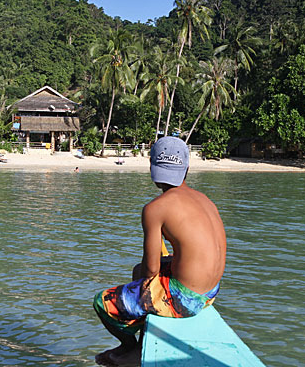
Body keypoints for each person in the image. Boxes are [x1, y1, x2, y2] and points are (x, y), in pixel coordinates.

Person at [93, 136, 227, 366]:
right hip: (211, 292)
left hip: (186, 299)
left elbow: (151, 269)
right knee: (138, 271)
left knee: (102, 302)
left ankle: (132, 348)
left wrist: (145, 282)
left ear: (153, 169)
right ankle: (142, 337)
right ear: (186, 169)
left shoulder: (155, 208)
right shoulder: (204, 199)